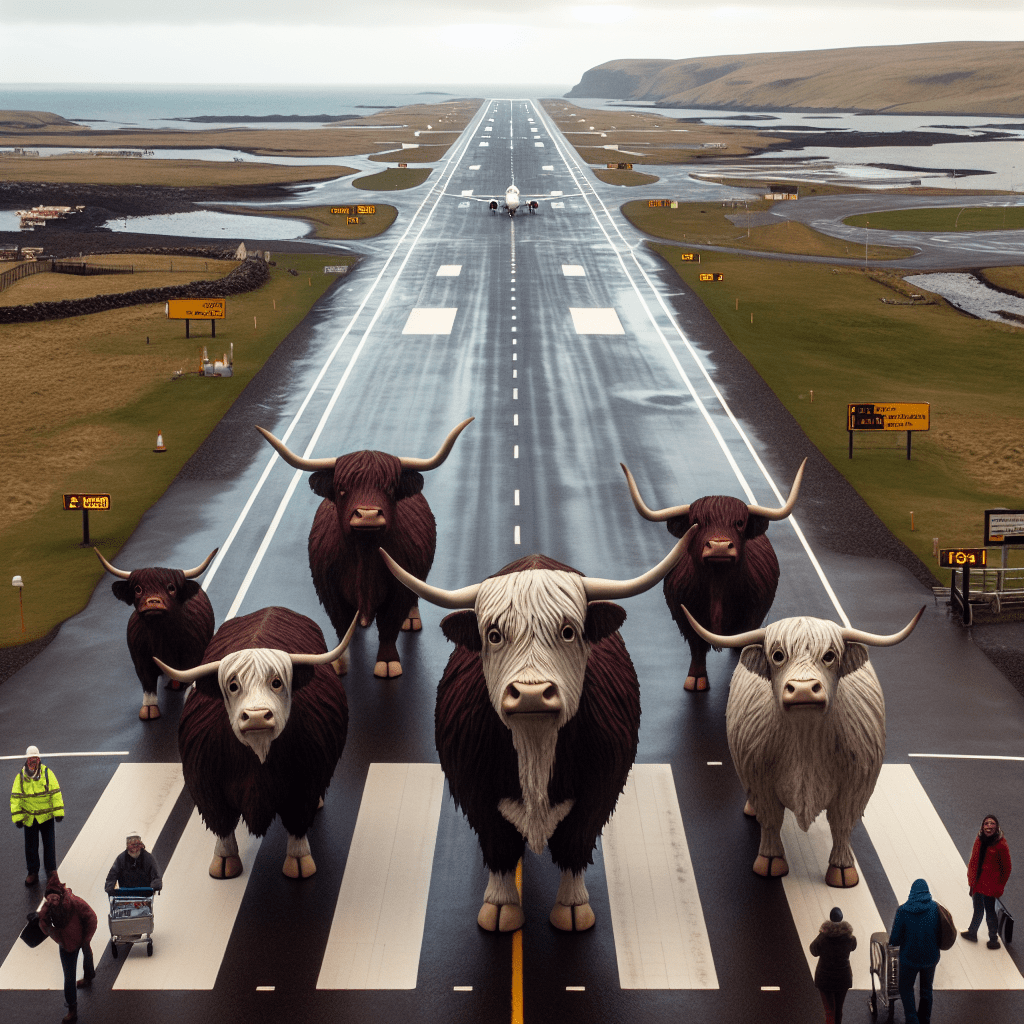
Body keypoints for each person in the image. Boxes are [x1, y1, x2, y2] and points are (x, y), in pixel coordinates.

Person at [38, 874, 96, 1023]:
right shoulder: (48, 907)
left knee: (86, 951)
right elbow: (43, 923)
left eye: (54, 898)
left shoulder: (75, 903)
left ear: (60, 895)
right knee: (69, 977)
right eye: (49, 898)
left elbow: (92, 918)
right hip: (65, 943)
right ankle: (72, 1008)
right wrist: (53, 933)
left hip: (80, 937)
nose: (52, 901)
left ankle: (89, 976)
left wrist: (86, 937)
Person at [10, 744, 64, 886]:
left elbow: (55, 793)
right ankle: (32, 872)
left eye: (35, 758)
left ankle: (51, 871)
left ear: (39, 758)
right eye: (30, 758)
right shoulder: (20, 777)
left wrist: (58, 812)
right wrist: (17, 817)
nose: (33, 760)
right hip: (30, 818)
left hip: (46, 817)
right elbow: (16, 797)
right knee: (31, 847)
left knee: (49, 845)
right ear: (27, 759)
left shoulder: (47, 773)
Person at [889, 878, 941, 1024]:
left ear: (912, 892)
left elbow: (895, 940)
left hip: (909, 959)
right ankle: (924, 1020)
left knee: (906, 988)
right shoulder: (935, 908)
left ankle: (912, 1020)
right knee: (926, 990)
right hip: (931, 958)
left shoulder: (903, 910)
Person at [961, 814, 1012, 949]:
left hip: (990, 886)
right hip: (978, 883)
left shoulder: (1001, 845)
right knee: (977, 910)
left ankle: (993, 939)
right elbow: (974, 860)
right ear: (983, 827)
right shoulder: (979, 839)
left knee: (990, 912)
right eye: (986, 824)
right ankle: (972, 932)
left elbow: (1007, 868)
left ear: (997, 827)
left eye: (992, 824)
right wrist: (971, 880)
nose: (989, 826)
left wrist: (1000, 887)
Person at [809, 906, 856, 1024]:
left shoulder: (823, 938)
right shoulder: (850, 938)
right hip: (843, 978)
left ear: (830, 919)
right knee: (838, 1011)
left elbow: (813, 951)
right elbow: (853, 947)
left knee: (830, 1011)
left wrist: (821, 934)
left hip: (825, 979)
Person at [104, 830, 162, 894]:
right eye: (130, 841)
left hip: (145, 895)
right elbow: (112, 875)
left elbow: (155, 874)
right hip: (125, 895)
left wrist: (156, 885)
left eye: (136, 841)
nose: (134, 846)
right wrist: (109, 886)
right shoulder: (121, 859)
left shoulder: (148, 858)